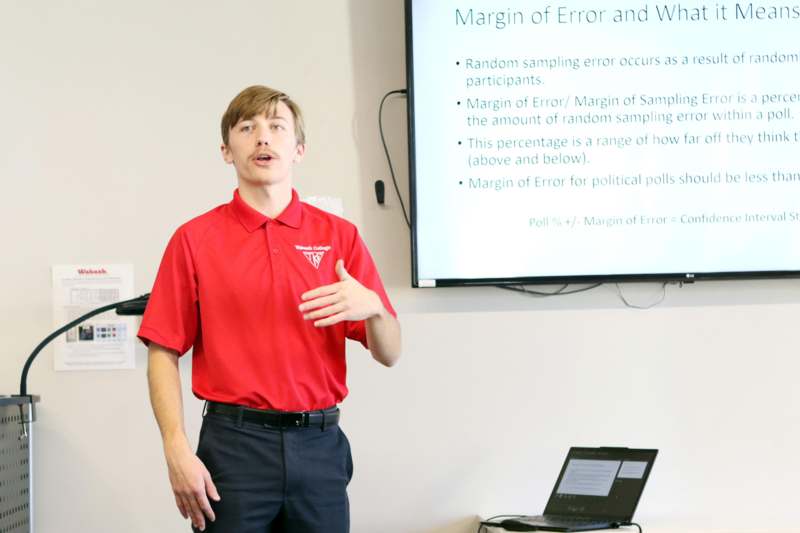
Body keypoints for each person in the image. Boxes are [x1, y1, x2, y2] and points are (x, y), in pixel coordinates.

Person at [138, 85, 401, 533]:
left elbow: (390, 352)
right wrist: (176, 447)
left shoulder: (340, 237)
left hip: (320, 446)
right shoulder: (195, 239)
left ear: (298, 148)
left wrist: (374, 307)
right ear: (226, 150)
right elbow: (162, 350)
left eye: (276, 127)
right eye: (248, 128)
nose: (263, 137)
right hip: (234, 448)